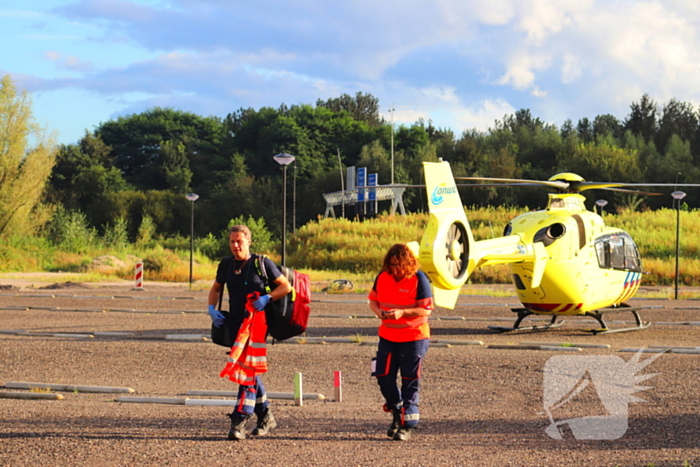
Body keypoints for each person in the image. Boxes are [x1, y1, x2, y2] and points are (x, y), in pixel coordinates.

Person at [208, 225, 292, 441]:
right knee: (250, 371)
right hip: (235, 324)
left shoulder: (261, 263)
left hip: (256, 326)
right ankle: (266, 415)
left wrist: (267, 298)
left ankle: (239, 420)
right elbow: (216, 287)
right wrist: (211, 310)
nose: (235, 246)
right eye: (232, 242)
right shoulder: (226, 265)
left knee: (245, 371)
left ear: (248, 242)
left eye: (239, 241)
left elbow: (285, 287)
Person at [368, 243, 434, 442]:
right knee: (383, 376)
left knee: (410, 380)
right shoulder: (382, 277)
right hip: (388, 336)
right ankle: (397, 410)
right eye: (392, 264)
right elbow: (373, 300)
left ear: (408, 263)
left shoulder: (419, 279)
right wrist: (379, 312)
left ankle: (406, 425)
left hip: (414, 337)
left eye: (399, 265)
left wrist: (402, 313)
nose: (395, 269)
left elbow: (426, 310)